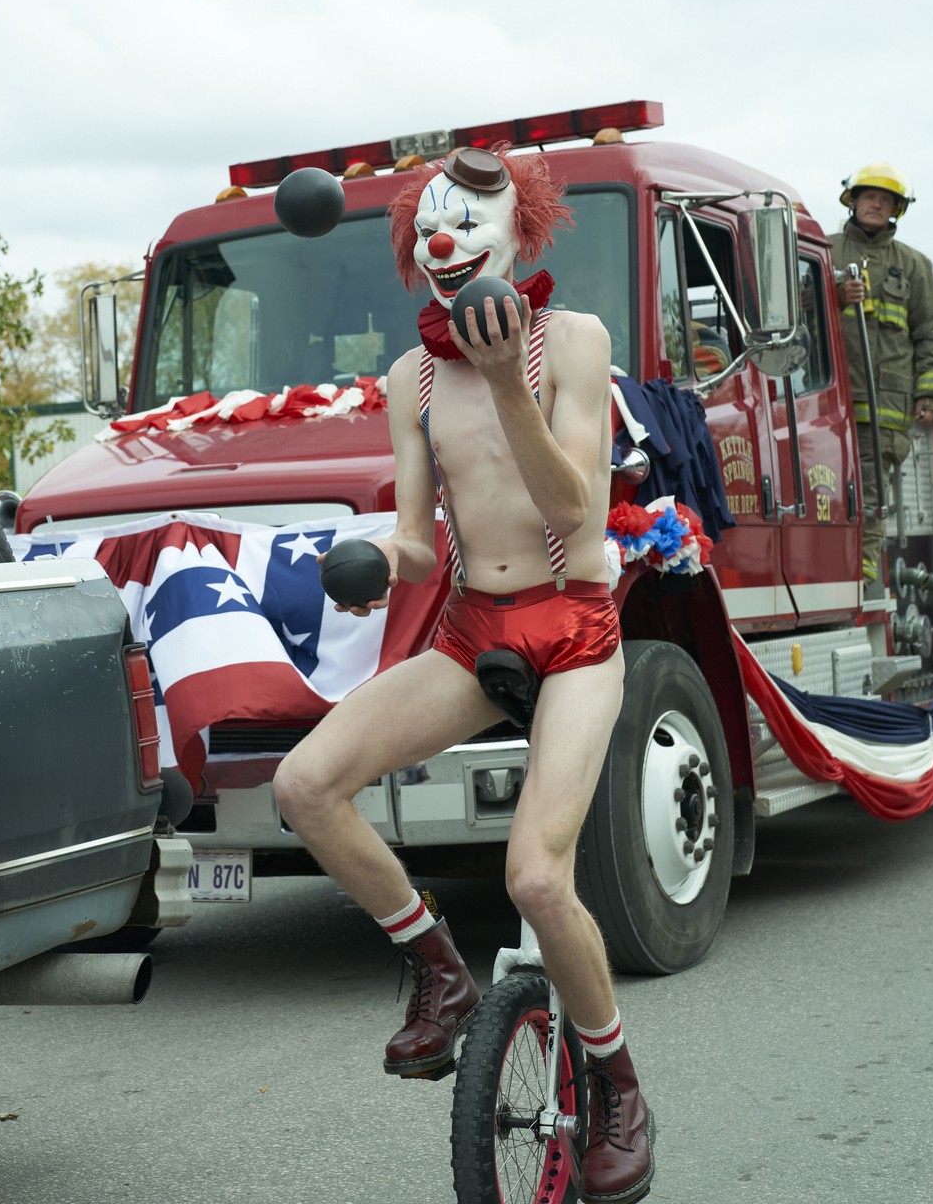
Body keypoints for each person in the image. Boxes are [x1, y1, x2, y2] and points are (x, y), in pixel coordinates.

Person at [272, 146, 653, 1204]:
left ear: (516, 234)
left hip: (574, 628)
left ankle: (618, 1085)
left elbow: (574, 506)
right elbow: (414, 534)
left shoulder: (575, 341)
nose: (443, 241)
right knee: (305, 784)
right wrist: (366, 564)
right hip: (474, 627)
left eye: (464, 223)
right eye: (426, 229)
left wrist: (504, 381)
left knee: (537, 875)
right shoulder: (411, 376)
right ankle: (439, 965)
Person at [830, 162, 933, 586]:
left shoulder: (914, 266)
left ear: (896, 208)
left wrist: (929, 394)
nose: (875, 204)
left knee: (870, 484)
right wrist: (836, 296)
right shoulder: (822, 250)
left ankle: (862, 570)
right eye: (868, 196)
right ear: (853, 201)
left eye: (884, 199)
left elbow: (929, 333)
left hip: (887, 403)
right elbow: (793, 311)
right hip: (828, 399)